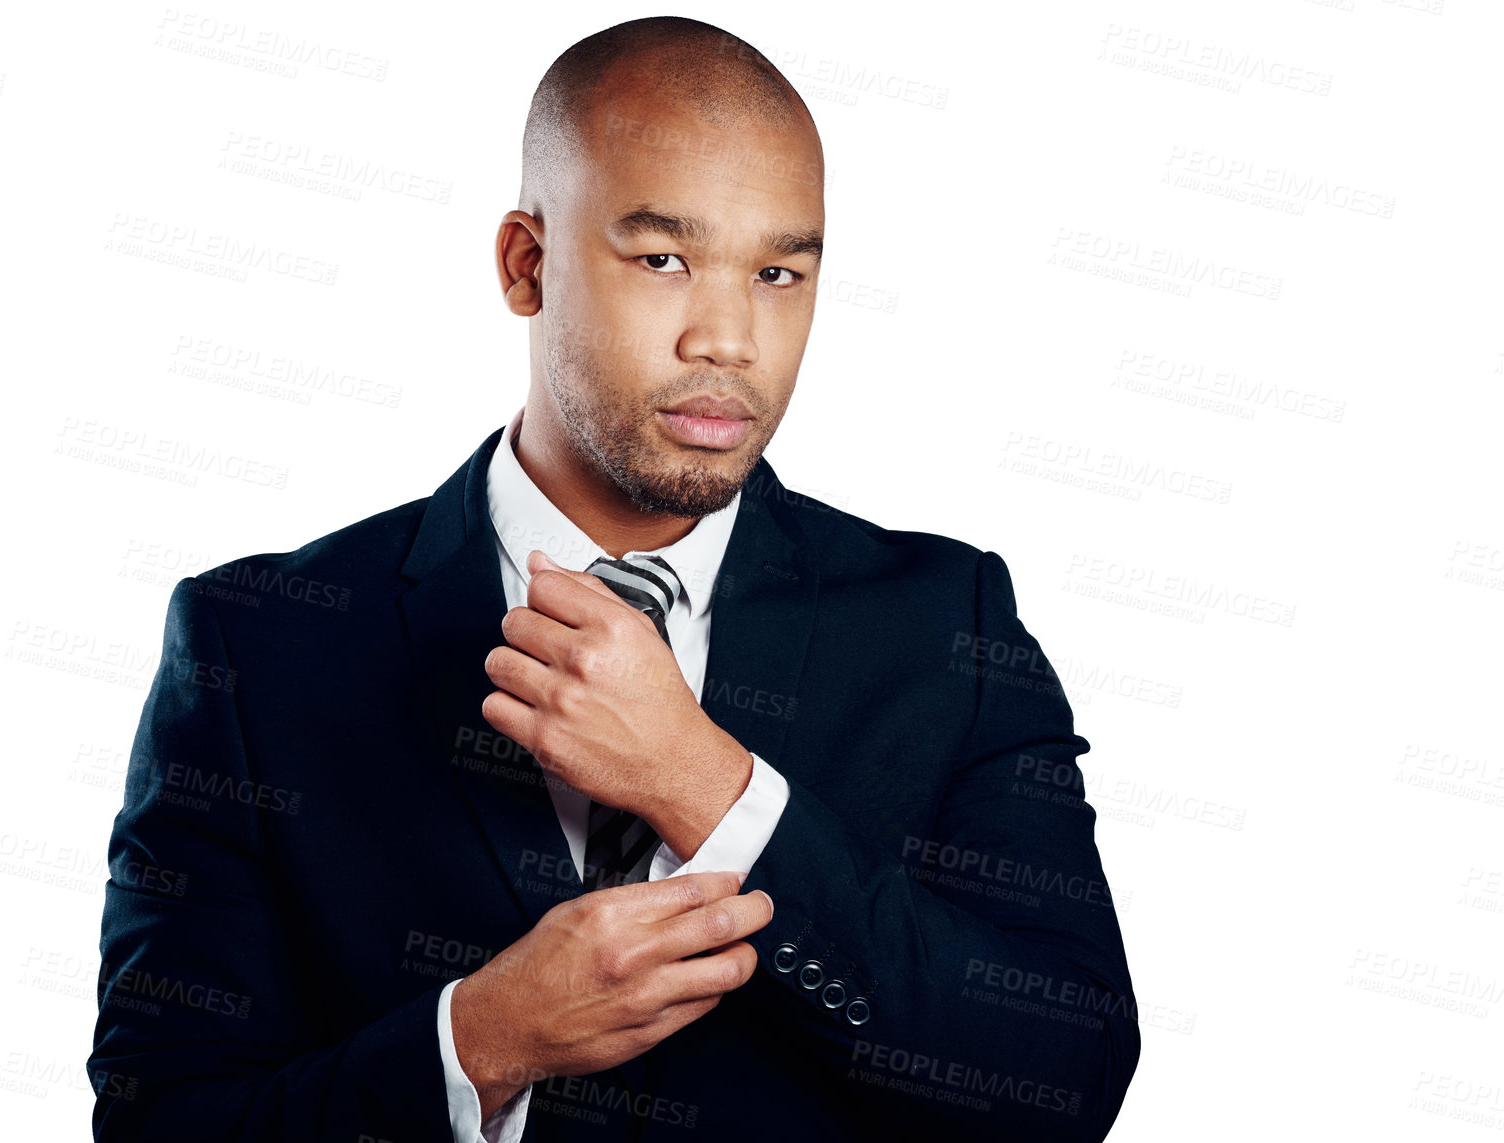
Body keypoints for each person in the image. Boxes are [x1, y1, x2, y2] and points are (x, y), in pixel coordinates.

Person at [89, 16, 1140, 1141]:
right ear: (525, 263)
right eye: (662, 260)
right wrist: (476, 1043)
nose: (728, 338)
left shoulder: (946, 625)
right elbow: (162, 1119)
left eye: (778, 273)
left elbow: (1063, 1084)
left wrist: (707, 789)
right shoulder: (260, 644)